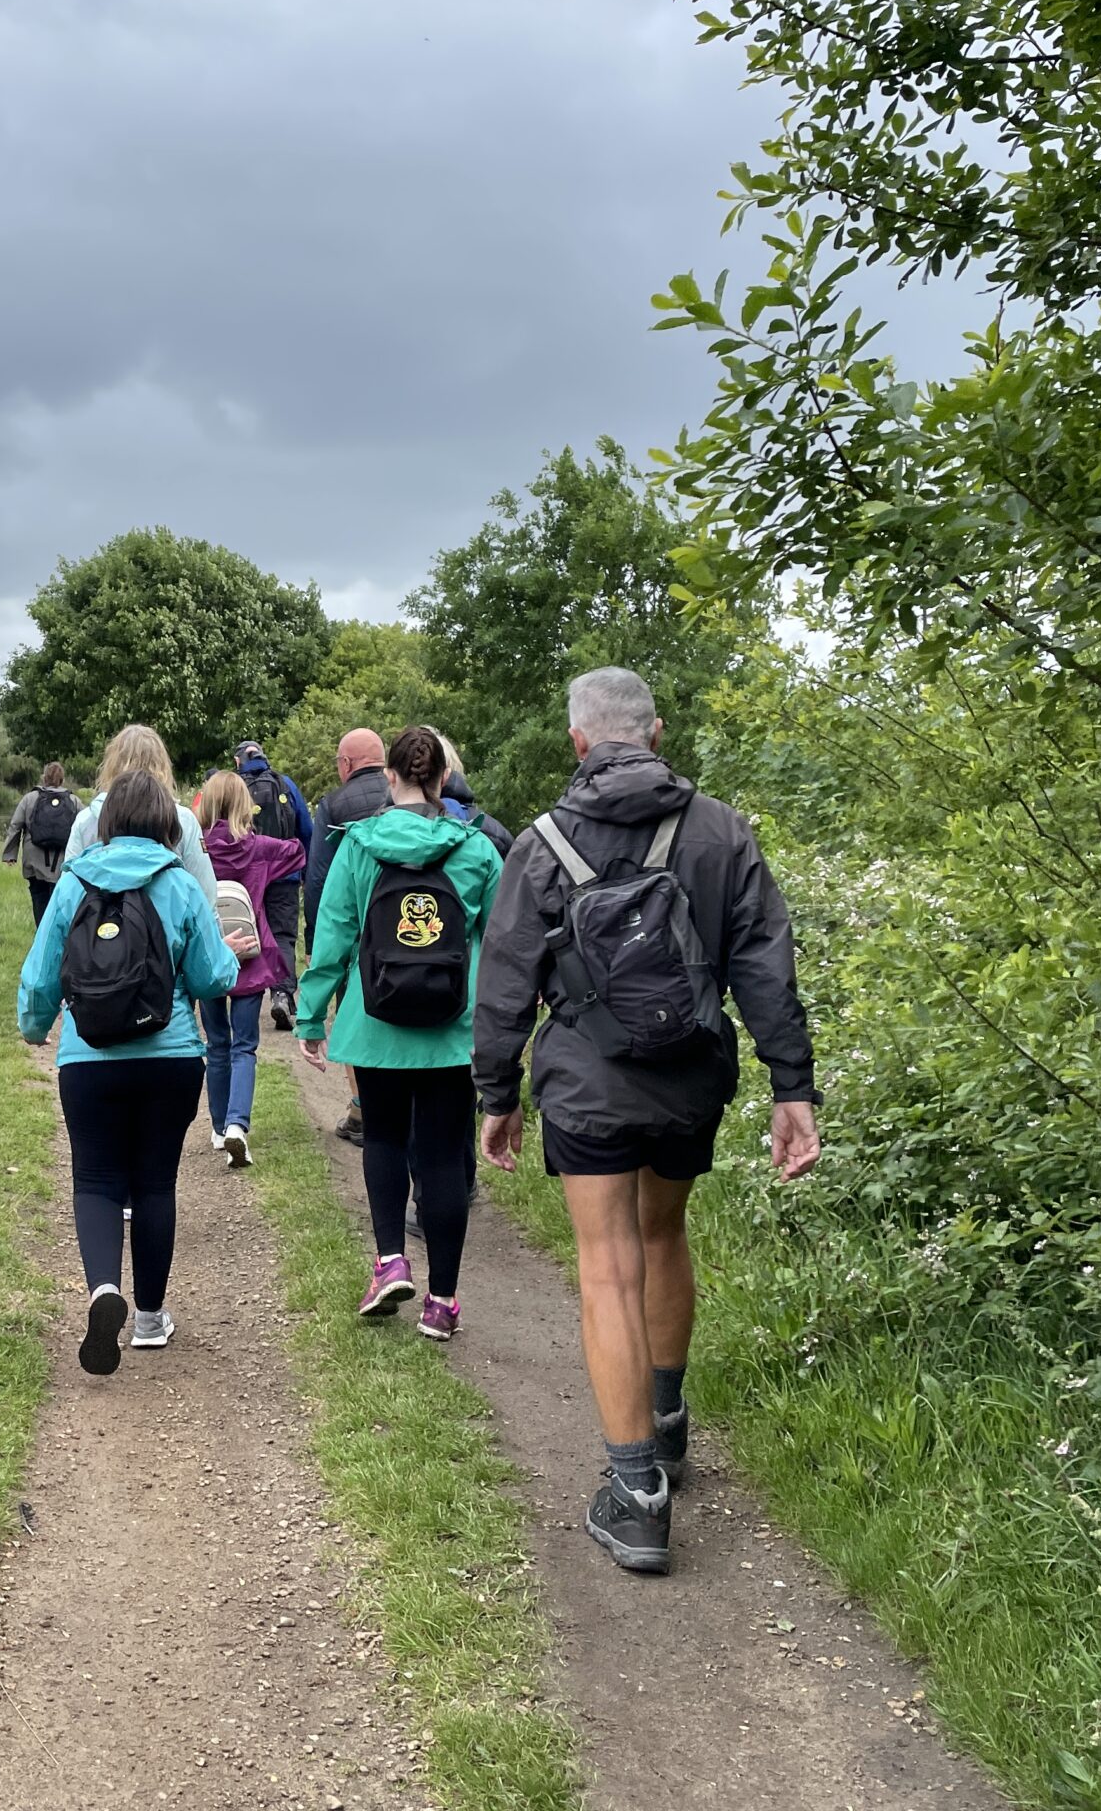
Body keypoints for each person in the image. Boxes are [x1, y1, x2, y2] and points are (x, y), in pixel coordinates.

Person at [473, 667, 820, 1578]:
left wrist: (497, 1095)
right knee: (663, 1234)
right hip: (689, 1080)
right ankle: (666, 1423)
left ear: (578, 741)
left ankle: (636, 1498)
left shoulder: (541, 845)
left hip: (587, 1086)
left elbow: (505, 979)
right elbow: (766, 963)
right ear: (656, 733)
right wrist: (792, 1087)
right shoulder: (722, 831)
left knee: (607, 1266)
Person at [20, 770, 248, 1374]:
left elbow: (41, 973)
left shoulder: (74, 881)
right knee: (154, 1184)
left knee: (95, 1180)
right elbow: (211, 978)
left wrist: (35, 1026)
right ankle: (149, 1319)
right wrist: (229, 960)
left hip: (88, 1060)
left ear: (109, 821)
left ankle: (103, 1289)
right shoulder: (178, 883)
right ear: (168, 825)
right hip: (169, 1059)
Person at [294, 725, 501, 1344]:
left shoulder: (358, 845)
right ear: (444, 778)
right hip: (452, 1031)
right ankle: (442, 1302)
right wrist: (504, 1024)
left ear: (390, 778)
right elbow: (503, 945)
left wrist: (311, 1016)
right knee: (442, 1156)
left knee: (382, 1137)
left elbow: (332, 936)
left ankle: (390, 1263)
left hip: (375, 1023)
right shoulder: (477, 849)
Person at [196, 769, 307, 1166]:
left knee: (216, 1044)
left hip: (209, 956)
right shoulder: (257, 847)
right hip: (250, 956)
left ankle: (217, 1126)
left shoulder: (196, 848)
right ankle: (236, 1126)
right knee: (244, 1046)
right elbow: (297, 851)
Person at [303, 728, 393, 1144]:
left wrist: (315, 943)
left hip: (358, 935)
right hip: (412, 928)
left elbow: (319, 880)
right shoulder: (406, 794)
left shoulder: (334, 805)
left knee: (354, 1014)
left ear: (345, 764)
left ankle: (361, 1108)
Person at [64, 725, 219, 903]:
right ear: (162, 767)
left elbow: (68, 892)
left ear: (112, 765)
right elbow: (205, 894)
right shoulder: (183, 820)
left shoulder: (87, 821)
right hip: (167, 918)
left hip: (96, 918)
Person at [232, 741, 313, 1030]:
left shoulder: (233, 787)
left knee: (246, 932)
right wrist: (304, 870)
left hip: (247, 876)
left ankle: (246, 995)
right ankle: (282, 995)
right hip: (285, 874)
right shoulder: (285, 784)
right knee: (282, 935)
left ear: (238, 761)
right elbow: (307, 830)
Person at [1, 762, 82, 923]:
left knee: (39, 900)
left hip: (34, 861)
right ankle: (58, 933)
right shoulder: (74, 801)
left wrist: (10, 854)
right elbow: (84, 828)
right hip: (62, 862)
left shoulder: (29, 798)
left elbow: (15, 826)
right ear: (62, 780)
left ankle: (41, 932)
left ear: (44, 778)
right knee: (60, 903)